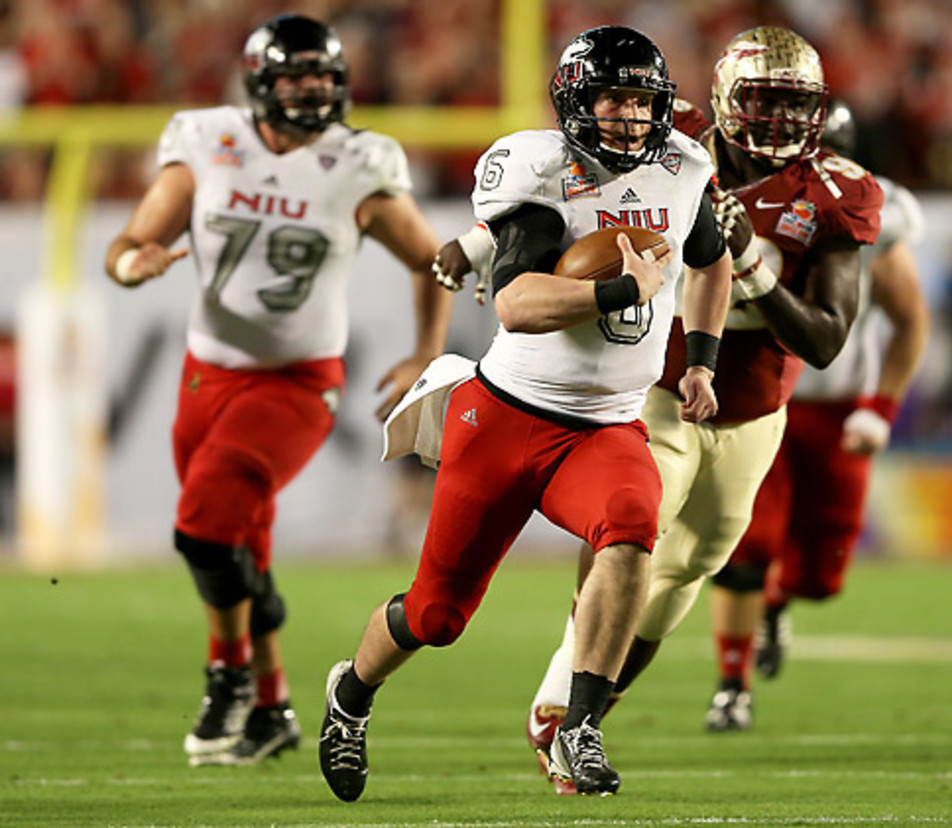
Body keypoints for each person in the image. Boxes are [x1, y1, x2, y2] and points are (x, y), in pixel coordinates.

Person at [317, 25, 731, 801]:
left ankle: (579, 725)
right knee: (438, 614)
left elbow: (712, 264)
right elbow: (516, 304)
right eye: (611, 98)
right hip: (506, 418)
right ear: (577, 101)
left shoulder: (683, 168)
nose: (629, 116)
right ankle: (352, 693)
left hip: (607, 423)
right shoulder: (544, 172)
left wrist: (703, 358)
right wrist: (620, 290)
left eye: (642, 100)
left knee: (635, 524)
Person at [500, 27, 884, 793]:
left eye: (792, 104)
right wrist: (486, 253)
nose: (775, 120)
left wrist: (752, 269)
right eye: (761, 101)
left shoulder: (836, 192)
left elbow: (828, 341)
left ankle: (582, 713)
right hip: (660, 389)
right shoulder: (663, 155)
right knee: (634, 531)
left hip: (754, 410)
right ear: (721, 100)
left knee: (691, 570)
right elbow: (553, 192)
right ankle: (565, 710)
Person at [103, 14, 452, 766]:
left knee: (203, 525)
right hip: (205, 375)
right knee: (236, 543)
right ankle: (271, 709)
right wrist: (133, 265)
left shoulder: (358, 161)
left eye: (324, 78)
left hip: (297, 380)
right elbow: (129, 244)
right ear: (261, 82)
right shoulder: (206, 140)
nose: (312, 91)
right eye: (296, 78)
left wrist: (426, 350)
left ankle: (226, 675)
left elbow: (430, 260)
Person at [705, 99, 930, 731]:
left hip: (834, 411)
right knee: (745, 546)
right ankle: (732, 686)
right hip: (760, 398)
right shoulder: (726, 189)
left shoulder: (859, 203)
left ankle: (779, 603)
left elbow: (910, 319)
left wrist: (880, 408)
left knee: (820, 575)